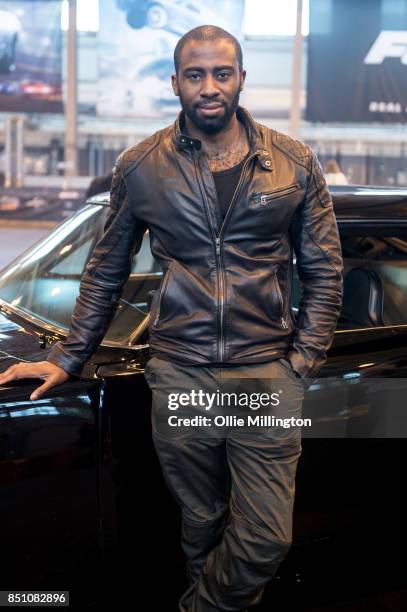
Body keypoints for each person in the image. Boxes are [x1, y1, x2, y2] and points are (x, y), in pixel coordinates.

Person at [0, 25, 343, 612]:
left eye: (221, 73)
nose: (209, 87)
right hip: (179, 372)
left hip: (263, 376)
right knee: (201, 519)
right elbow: (105, 270)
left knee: (263, 538)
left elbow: (325, 271)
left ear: (240, 78)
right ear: (175, 82)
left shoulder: (292, 162)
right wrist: (65, 357)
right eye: (195, 75)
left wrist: (300, 364)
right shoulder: (141, 166)